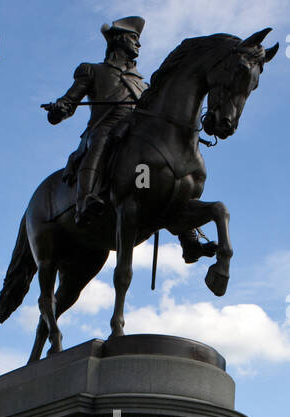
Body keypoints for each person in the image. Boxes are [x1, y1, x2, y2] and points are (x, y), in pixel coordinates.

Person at [43, 15, 217, 262]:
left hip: (136, 131)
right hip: (105, 126)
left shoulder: (142, 84)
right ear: (118, 39)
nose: (138, 44)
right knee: (101, 142)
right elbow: (70, 101)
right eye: (133, 38)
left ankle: (189, 239)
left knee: (173, 166)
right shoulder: (92, 70)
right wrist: (61, 107)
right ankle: (84, 202)